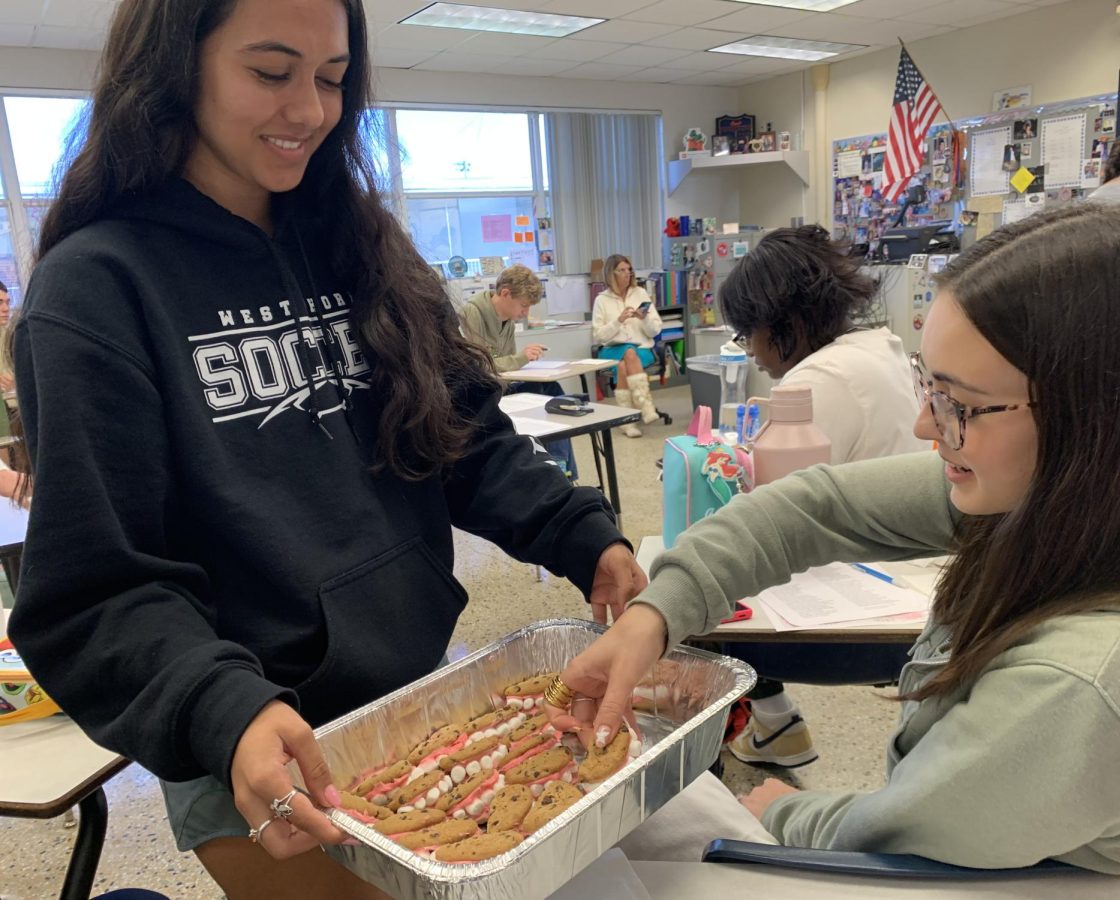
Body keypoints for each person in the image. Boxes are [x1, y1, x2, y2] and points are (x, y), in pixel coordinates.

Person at [6, 1, 645, 898]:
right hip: (250, 742)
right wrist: (224, 712)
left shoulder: (362, 246)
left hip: (412, 692)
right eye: (271, 72)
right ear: (175, 69)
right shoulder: (98, 290)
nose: (309, 109)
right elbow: (96, 593)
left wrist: (586, 534)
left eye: (334, 78)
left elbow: (457, 437)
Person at [554, 203, 1120, 873]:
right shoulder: (1087, 499)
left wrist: (777, 808)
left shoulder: (1086, 688)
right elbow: (816, 507)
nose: (925, 425)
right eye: (928, 385)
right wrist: (654, 616)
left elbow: (904, 824)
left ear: (1096, 418)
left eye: (959, 403)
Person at [719, 226, 927, 768]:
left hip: (871, 605)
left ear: (783, 324)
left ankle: (772, 723)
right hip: (915, 577)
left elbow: (772, 514)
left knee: (709, 602)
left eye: (749, 335)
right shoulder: (879, 348)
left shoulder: (814, 381)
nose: (752, 353)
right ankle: (776, 726)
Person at [460, 264, 577, 480]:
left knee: (553, 390)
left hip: (505, 385)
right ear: (505, 293)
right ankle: (561, 469)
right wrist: (521, 358)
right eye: (523, 306)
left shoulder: (509, 322)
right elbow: (479, 366)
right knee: (549, 397)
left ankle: (563, 468)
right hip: (485, 391)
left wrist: (519, 363)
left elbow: (506, 367)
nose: (525, 313)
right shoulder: (472, 313)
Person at [591, 254, 662, 438]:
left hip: (642, 350)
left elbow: (655, 331)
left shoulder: (640, 294)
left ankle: (627, 421)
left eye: (629, 270)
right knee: (627, 354)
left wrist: (644, 318)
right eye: (621, 270)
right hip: (611, 350)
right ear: (611, 274)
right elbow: (598, 336)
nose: (627, 274)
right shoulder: (601, 300)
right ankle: (645, 406)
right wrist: (618, 321)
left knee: (627, 360)